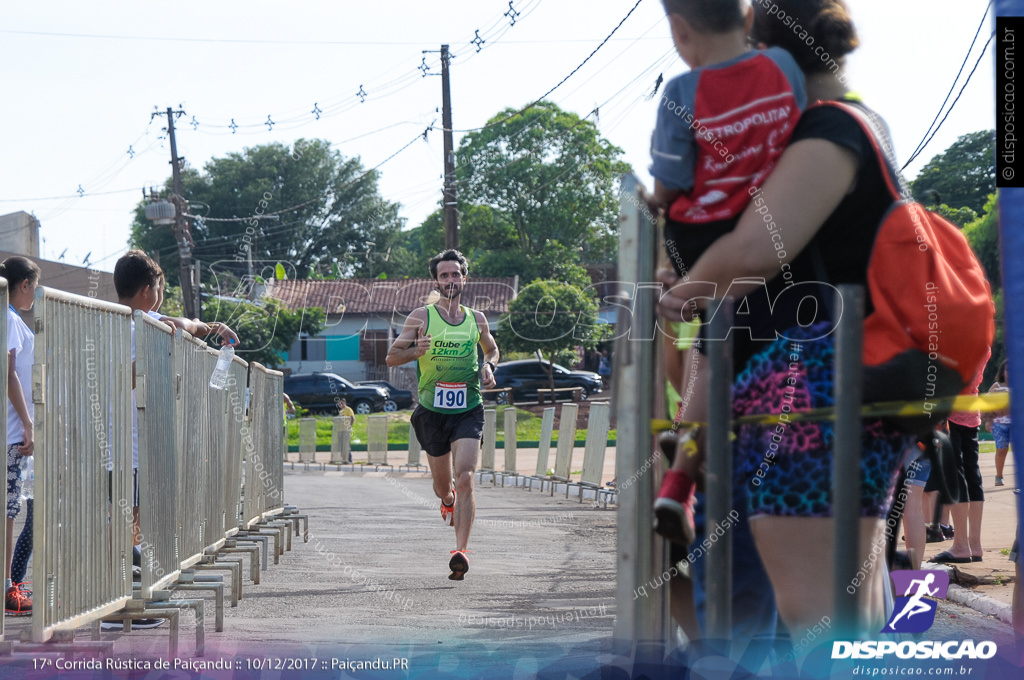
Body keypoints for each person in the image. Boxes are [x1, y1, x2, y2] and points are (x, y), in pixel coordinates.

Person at [656, 0, 978, 640]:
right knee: (837, 611)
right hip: (817, 393)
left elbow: (755, 247)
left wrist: (683, 287)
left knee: (816, 617)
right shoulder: (846, 126)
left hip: (809, 395)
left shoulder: (830, 131)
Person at [648, 0, 806, 546]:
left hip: (699, 235)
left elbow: (669, 184)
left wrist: (655, 208)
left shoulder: (680, 94)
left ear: (678, 29)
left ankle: (679, 475)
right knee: (730, 346)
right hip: (770, 226)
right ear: (746, 19)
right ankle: (692, 462)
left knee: (717, 347)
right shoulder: (782, 67)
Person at [108, 250, 238, 629]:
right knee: (133, 529)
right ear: (150, 290)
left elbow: (185, 325)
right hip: (132, 448)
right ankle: (126, 609)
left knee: (125, 530)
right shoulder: (145, 326)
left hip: (107, 447)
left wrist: (209, 325)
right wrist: (208, 326)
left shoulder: (110, 323)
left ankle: (123, 604)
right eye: (161, 287)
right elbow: (182, 325)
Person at [386, 249, 499, 580]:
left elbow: (491, 348)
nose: (451, 280)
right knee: (443, 486)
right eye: (444, 275)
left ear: (465, 277)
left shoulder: (476, 319)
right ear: (437, 280)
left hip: (469, 408)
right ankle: (447, 499)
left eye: (456, 274)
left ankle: (460, 551)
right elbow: (392, 357)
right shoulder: (421, 317)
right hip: (432, 412)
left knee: (466, 477)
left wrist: (489, 366)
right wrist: (414, 351)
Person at [2, 256, 39, 616]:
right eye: (33, 286)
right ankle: (6, 591)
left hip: (11, 430)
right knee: (8, 513)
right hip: (12, 432)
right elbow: (9, 372)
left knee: (9, 509)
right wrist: (28, 423)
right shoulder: (10, 318)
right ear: (24, 284)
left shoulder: (9, 318)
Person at [930, 360, 988, 564]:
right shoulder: (983, 337)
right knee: (973, 474)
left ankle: (961, 545)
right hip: (971, 410)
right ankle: (974, 544)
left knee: (956, 474)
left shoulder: (953, 335)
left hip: (951, 411)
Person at [987, 360, 1011, 486]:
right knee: (1002, 450)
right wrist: (988, 421)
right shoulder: (997, 386)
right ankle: (999, 476)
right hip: (999, 424)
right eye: (1007, 369)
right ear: (1002, 371)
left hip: (1017, 425)